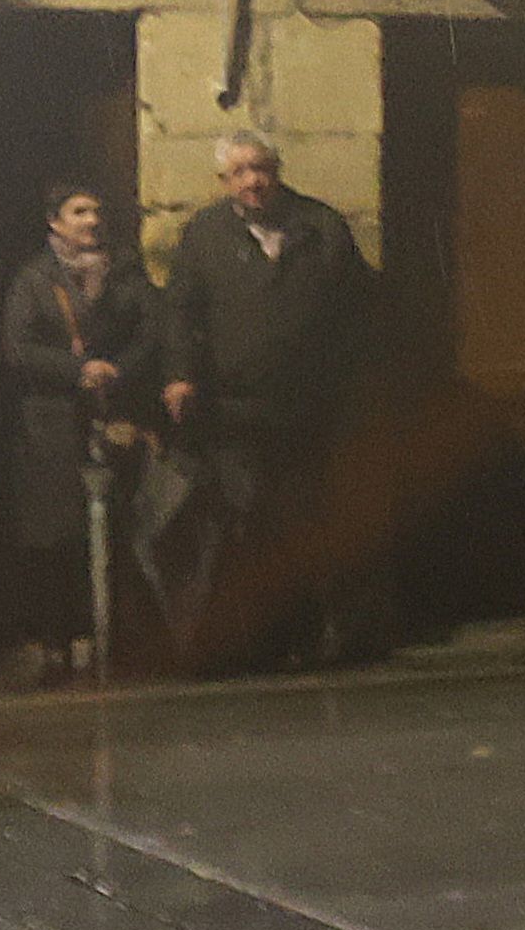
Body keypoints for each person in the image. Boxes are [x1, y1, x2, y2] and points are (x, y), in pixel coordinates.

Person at [158, 133, 376, 672]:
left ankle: (310, 634)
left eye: (261, 169)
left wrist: (351, 379)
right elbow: (181, 312)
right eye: (240, 172)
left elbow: (356, 310)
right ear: (223, 182)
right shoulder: (205, 235)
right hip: (234, 411)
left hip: (307, 406)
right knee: (247, 521)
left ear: (277, 171)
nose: (253, 181)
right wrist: (180, 376)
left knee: (305, 521)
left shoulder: (320, 228)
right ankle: (254, 640)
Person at [0, 181, 159, 681]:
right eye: (79, 212)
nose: (91, 221)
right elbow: (18, 347)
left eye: (96, 211)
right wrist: (77, 372)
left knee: (125, 527)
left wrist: (119, 370)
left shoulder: (127, 275)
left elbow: (152, 332)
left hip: (114, 417)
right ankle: (56, 638)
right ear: (55, 222)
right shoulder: (34, 280)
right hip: (52, 426)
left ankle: (118, 636)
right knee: (55, 535)